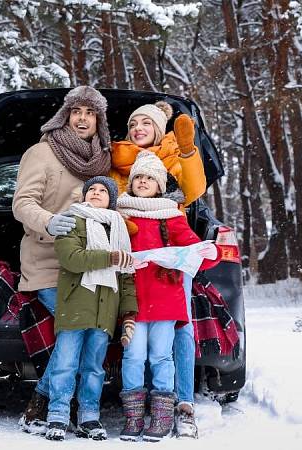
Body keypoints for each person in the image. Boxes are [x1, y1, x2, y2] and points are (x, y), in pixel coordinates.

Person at [12, 86, 112, 433]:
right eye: (77, 111)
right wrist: (49, 222)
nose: (83, 118)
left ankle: (43, 403)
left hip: (92, 264)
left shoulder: (103, 159)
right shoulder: (42, 153)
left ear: (99, 121)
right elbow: (22, 203)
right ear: (65, 116)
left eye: (90, 113)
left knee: (86, 330)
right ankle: (52, 406)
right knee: (80, 326)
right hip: (48, 259)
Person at [111, 101, 208, 438]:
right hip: (133, 281)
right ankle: (135, 412)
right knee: (135, 352)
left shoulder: (171, 159)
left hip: (166, 275)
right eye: (134, 122)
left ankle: (179, 405)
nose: (139, 128)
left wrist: (187, 150)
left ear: (158, 128)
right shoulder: (116, 163)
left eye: (146, 123)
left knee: (175, 335)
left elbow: (194, 190)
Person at [41, 176, 137, 441]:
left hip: (106, 309)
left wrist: (129, 314)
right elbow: (71, 259)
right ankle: (58, 416)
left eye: (103, 190)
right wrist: (109, 257)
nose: (95, 193)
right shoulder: (72, 221)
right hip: (75, 305)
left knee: (94, 367)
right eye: (91, 189)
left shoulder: (119, 230)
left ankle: (89, 417)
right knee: (65, 363)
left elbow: (127, 275)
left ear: (112, 200)